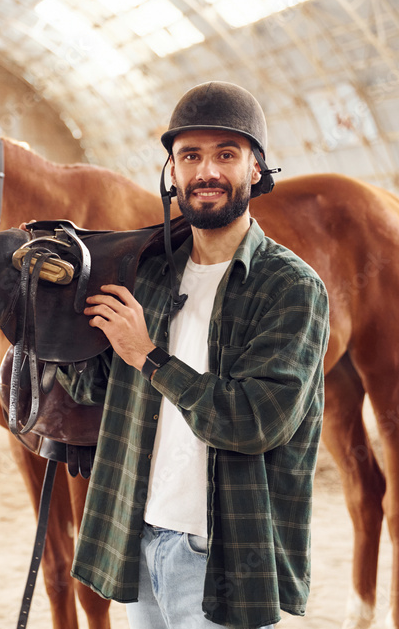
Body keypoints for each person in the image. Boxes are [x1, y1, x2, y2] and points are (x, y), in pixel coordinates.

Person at [58, 81, 331, 628]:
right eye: (191, 156)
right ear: (173, 172)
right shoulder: (149, 275)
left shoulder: (291, 287)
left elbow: (256, 421)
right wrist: (46, 313)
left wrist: (151, 356)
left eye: (226, 155)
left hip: (219, 554)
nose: (207, 172)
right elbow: (90, 387)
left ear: (256, 169)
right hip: (140, 538)